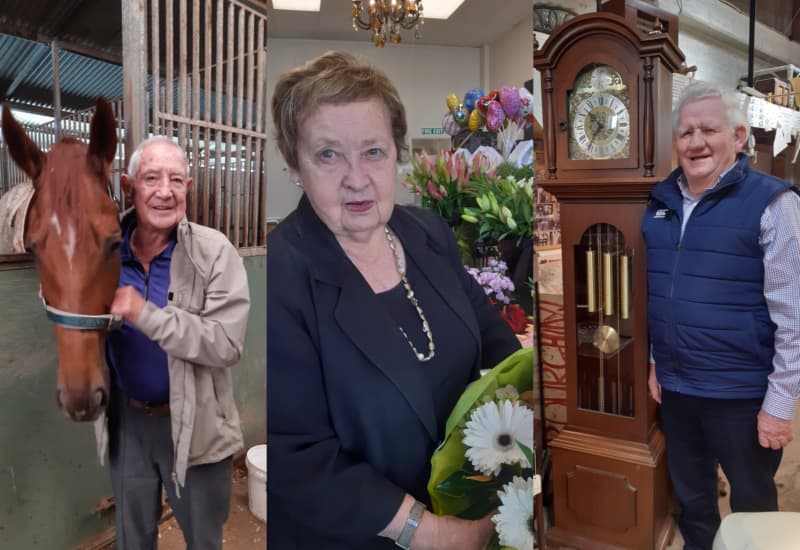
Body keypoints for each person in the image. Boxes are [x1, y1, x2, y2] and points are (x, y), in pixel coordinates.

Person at [267, 51, 522, 549]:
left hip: (470, 511)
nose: (356, 177)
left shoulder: (426, 232)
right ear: (294, 161)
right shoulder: (281, 274)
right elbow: (296, 455)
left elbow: (494, 341)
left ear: (396, 152)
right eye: (328, 154)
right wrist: (432, 533)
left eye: (373, 151)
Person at [642, 81, 800, 549]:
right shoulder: (660, 201)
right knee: (693, 501)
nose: (696, 142)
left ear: (738, 135)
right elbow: (658, 290)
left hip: (742, 395)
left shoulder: (774, 203)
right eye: (686, 132)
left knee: (752, 507)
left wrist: (780, 406)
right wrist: (655, 360)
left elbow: (793, 316)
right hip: (678, 389)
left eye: (708, 130)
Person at [104, 136, 251, 549]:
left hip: (198, 424)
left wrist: (144, 314)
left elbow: (226, 343)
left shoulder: (214, 252)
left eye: (176, 180)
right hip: (129, 421)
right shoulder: (104, 250)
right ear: (129, 186)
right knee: (132, 538)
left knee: (203, 539)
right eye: (152, 178)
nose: (165, 191)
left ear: (188, 188)